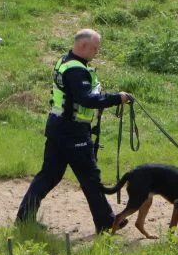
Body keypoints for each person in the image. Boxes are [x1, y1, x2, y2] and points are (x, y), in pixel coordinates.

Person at [16, 28, 134, 234]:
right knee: (90, 177)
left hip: (59, 127)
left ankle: (24, 218)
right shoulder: (76, 70)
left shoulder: (66, 61)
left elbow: (78, 97)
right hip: (72, 132)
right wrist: (117, 98)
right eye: (95, 48)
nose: (97, 52)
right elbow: (86, 99)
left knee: (49, 176)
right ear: (83, 45)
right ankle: (106, 222)